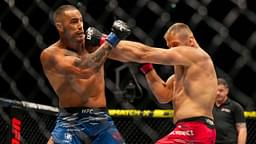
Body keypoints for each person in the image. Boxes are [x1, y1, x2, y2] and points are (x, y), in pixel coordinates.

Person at [109, 22, 218, 143]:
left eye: (175, 45)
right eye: (169, 47)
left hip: (196, 128)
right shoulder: (179, 76)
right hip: (189, 129)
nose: (172, 50)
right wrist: (147, 68)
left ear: (191, 41)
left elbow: (144, 53)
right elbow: (164, 96)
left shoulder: (198, 55)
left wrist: (106, 40)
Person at [40, 5, 131, 144]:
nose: (80, 26)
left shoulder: (95, 44)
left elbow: (135, 52)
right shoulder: (51, 54)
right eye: (73, 22)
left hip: (101, 119)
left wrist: (166, 55)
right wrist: (113, 38)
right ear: (60, 26)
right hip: (70, 121)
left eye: (81, 21)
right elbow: (85, 69)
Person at [213, 78, 247, 144]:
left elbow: (242, 129)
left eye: (221, 90)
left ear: (227, 91)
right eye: (216, 90)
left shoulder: (236, 107)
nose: (218, 93)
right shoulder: (209, 106)